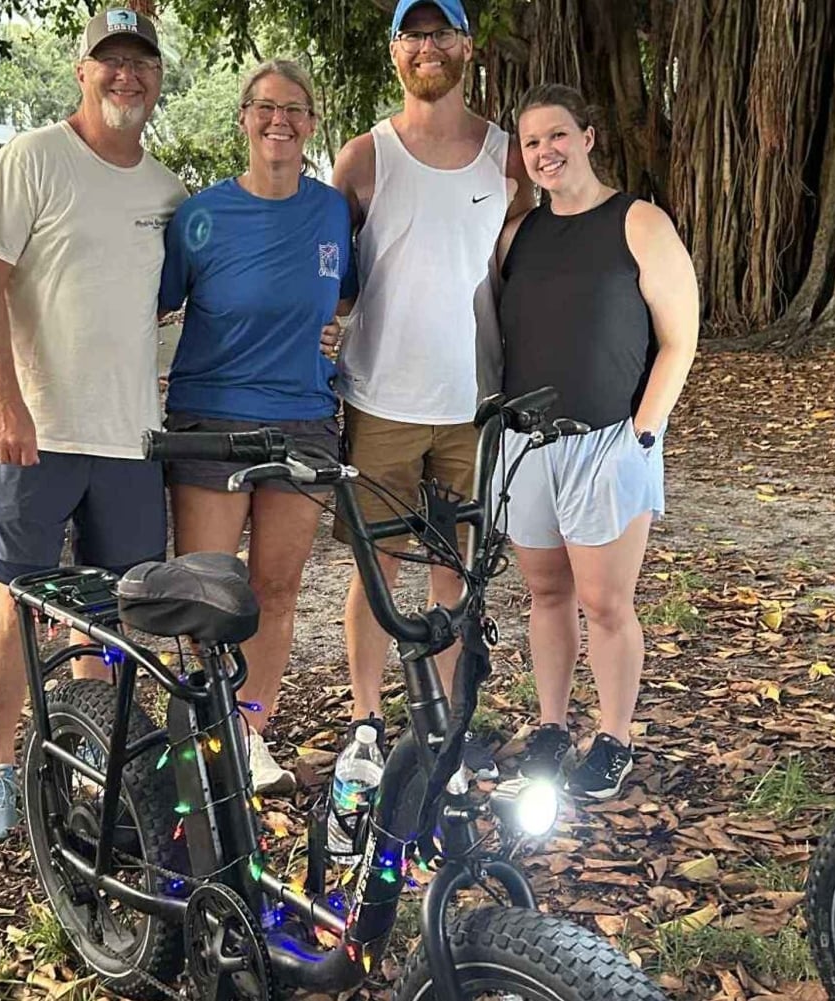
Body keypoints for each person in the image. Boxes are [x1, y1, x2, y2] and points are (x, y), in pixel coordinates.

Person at [0, 6, 187, 845]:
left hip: (130, 437)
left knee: (114, 610)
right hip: (38, 429)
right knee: (15, 598)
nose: (126, 76)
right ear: (81, 70)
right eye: (110, 61)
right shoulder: (32, 159)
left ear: (158, 77)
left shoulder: (168, 193)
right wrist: (2, 395)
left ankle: (103, 753)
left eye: (141, 63)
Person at [329, 0, 532, 776]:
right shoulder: (364, 158)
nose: (427, 48)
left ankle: (440, 724)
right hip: (380, 395)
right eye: (413, 35)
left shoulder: (507, 158)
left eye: (441, 32)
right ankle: (367, 721)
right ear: (394, 51)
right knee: (376, 568)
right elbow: (334, 274)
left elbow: (525, 268)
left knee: (454, 569)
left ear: (468, 46)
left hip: (470, 401)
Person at [495, 84, 698, 799]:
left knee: (606, 601)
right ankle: (552, 725)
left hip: (608, 441)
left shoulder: (638, 222)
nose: (544, 152)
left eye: (556, 136)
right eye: (530, 144)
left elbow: (679, 339)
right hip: (527, 444)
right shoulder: (520, 233)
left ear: (587, 135)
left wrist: (640, 436)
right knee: (546, 592)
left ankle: (614, 734)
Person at [156, 60, 352, 794]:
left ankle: (250, 728)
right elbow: (155, 305)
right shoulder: (199, 216)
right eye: (266, 107)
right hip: (211, 416)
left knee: (276, 586)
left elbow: (344, 297)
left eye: (296, 109)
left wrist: (331, 340)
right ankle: (202, 734)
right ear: (243, 119)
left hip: (302, 418)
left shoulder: (332, 211)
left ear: (311, 123)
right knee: (207, 588)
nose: (281, 121)